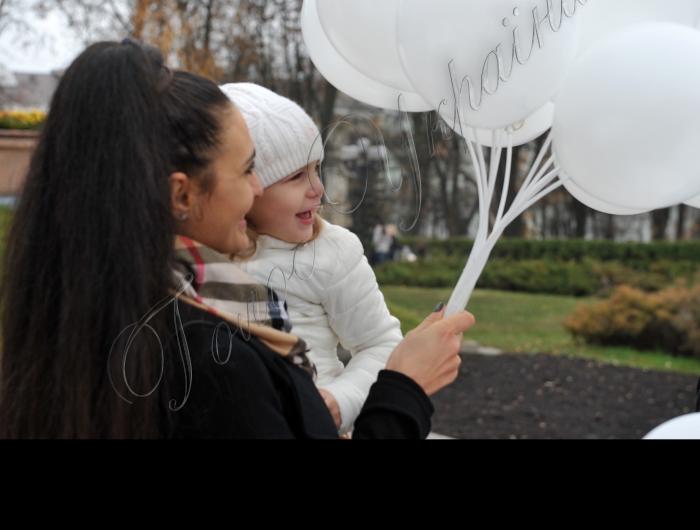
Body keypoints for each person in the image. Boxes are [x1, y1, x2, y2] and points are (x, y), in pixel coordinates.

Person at [0, 40, 474, 440]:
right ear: (181, 193)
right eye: (248, 170)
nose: (255, 190)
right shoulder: (211, 354)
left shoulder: (88, 305)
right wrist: (403, 388)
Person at [220, 84, 403, 434]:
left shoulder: (332, 250)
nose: (318, 189)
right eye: (295, 177)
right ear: (248, 187)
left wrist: (340, 400)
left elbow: (379, 343)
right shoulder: (207, 254)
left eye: (317, 169)